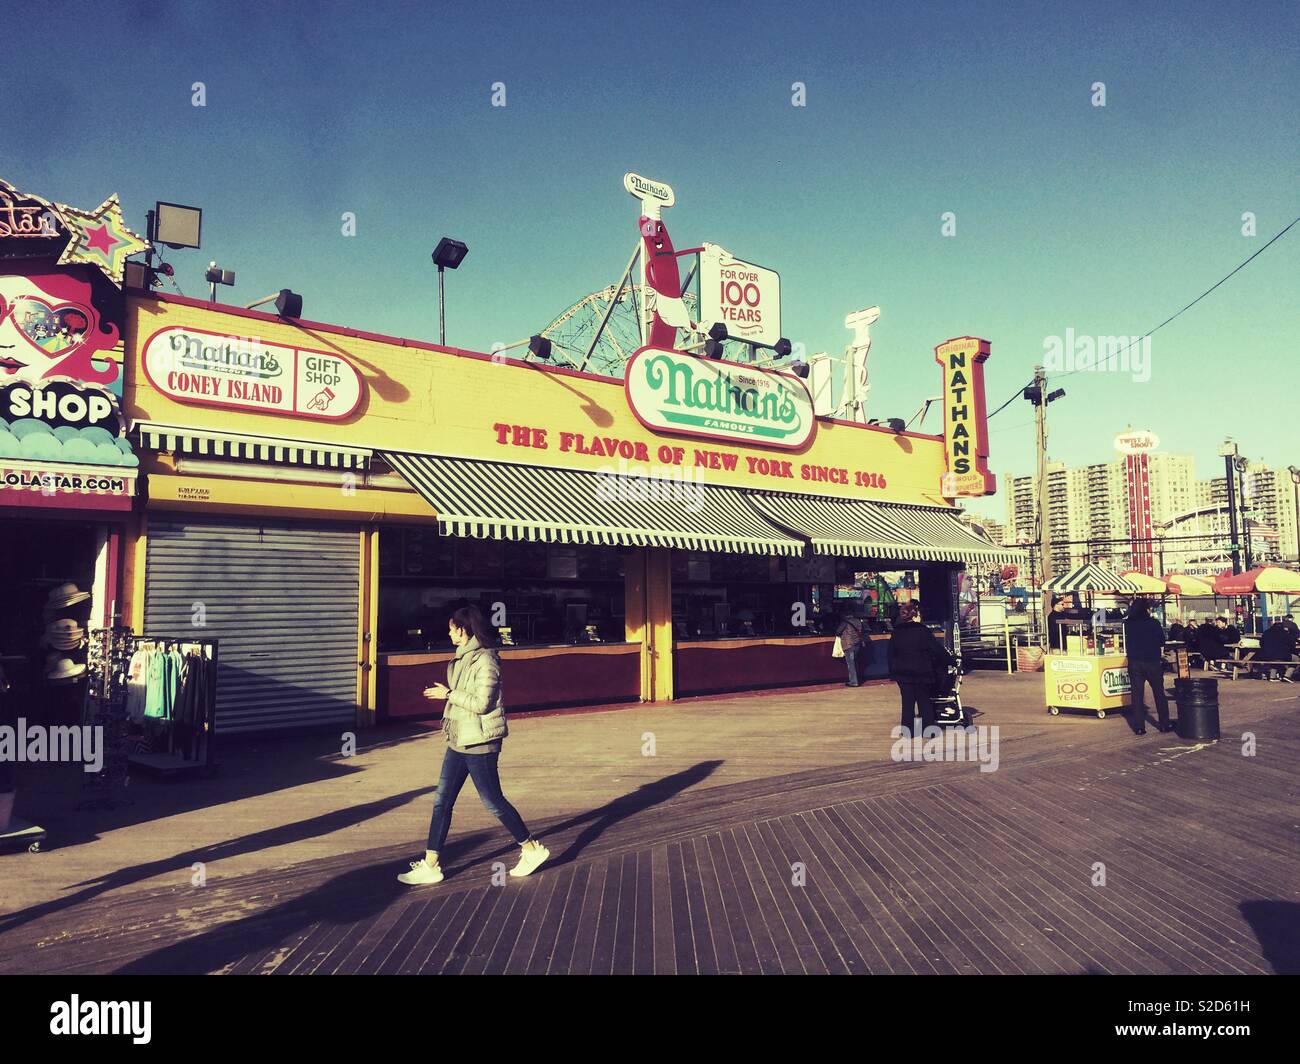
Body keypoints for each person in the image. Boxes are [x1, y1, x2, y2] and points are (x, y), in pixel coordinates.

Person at [398, 604, 549, 886]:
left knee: (493, 802)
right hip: (459, 740)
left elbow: (482, 704)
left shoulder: (486, 661)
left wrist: (449, 694)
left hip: (480, 742)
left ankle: (531, 849)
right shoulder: (463, 658)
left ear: (464, 629)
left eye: (452, 629)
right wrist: (450, 698)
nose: (449, 633)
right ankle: (431, 864)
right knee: (442, 801)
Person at [887, 602, 945, 733]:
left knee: (907, 702)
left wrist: (893, 670)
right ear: (915, 614)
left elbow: (890, 653)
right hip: (922, 671)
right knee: (924, 701)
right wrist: (951, 661)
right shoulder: (923, 631)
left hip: (903, 673)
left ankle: (907, 731)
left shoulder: (896, 632)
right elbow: (936, 650)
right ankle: (928, 730)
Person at [1124, 601, 1172, 735]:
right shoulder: (1154, 623)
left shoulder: (1128, 624)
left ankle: (1139, 727)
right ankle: (1164, 723)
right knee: (1159, 693)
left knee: (1137, 695)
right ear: (1146, 609)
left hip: (1135, 662)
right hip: (1152, 661)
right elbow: (1161, 641)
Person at [1258, 617, 1298, 683]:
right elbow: (1292, 645)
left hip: (1266, 656)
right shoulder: (1285, 633)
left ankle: (1272, 677)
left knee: (1276, 658)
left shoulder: (1266, 632)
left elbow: (1261, 643)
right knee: (1296, 659)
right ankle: (1287, 676)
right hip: (1281, 656)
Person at [836, 610, 865, 687]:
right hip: (857, 644)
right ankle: (858, 679)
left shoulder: (845, 622)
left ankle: (854, 682)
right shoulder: (858, 621)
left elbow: (838, 632)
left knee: (851, 664)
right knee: (855, 663)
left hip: (849, 645)